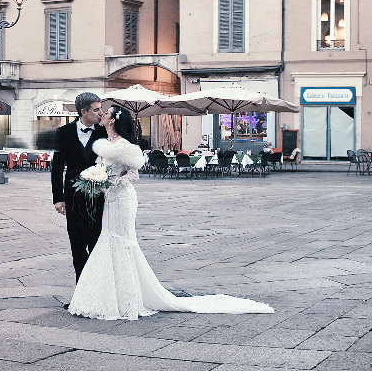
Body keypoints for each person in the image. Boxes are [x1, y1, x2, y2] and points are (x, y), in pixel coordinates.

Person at [68, 104, 273, 320]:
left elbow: (134, 174)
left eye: (106, 112)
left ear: (113, 120)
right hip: (109, 200)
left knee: (121, 242)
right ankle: (109, 296)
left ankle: (127, 299)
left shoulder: (124, 145)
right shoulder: (105, 144)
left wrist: (113, 182)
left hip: (122, 199)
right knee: (108, 240)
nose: (102, 114)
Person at [50, 93, 110, 279]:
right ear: (83, 111)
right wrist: (58, 198)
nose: (101, 113)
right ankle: (80, 295)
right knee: (77, 245)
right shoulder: (63, 132)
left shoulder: (104, 132)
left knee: (95, 243)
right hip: (72, 197)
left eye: (101, 109)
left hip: (97, 194)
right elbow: (57, 167)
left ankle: (96, 292)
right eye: (96, 109)